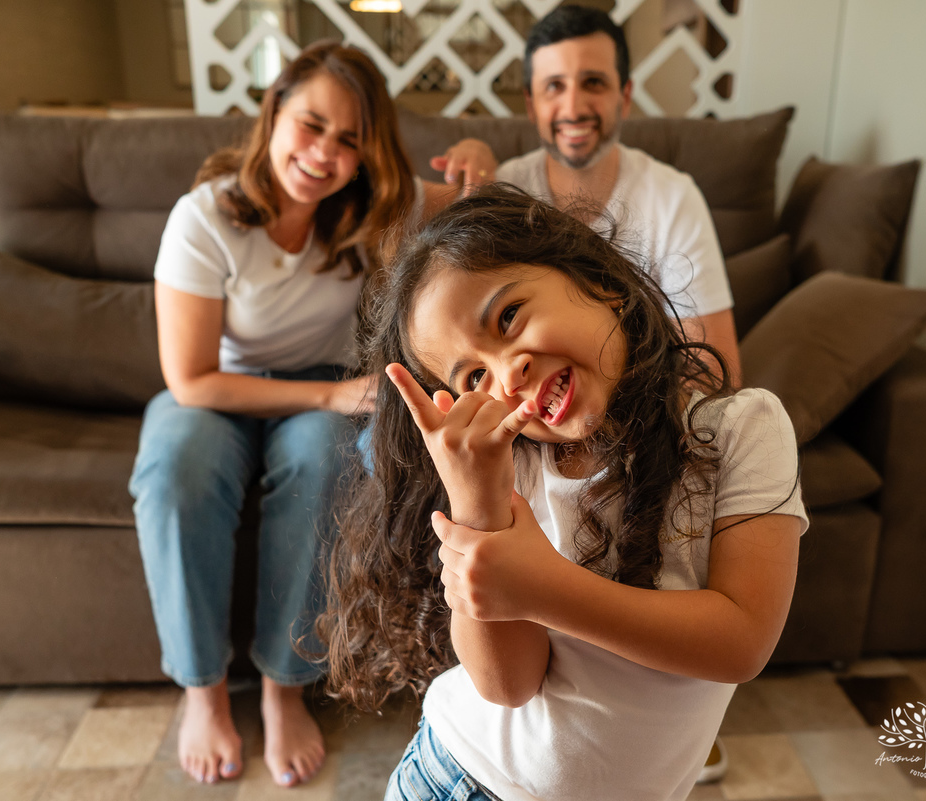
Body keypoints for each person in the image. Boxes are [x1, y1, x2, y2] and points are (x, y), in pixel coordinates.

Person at [319, 186, 806, 801]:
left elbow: (741, 642)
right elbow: (508, 685)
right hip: (457, 778)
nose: (507, 372)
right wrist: (476, 505)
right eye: (473, 377)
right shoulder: (515, 462)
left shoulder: (742, 429)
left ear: (596, 278)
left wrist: (543, 587)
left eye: (507, 318)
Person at [128, 41, 494, 789]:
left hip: (324, 391)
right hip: (218, 389)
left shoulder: (377, 209)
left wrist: (483, 154)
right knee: (175, 469)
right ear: (274, 115)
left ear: (367, 156)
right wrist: (330, 393)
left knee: (329, 460)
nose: (323, 152)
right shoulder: (204, 217)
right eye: (311, 124)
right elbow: (190, 376)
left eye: (348, 139)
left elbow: (478, 203)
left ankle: (282, 685)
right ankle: (201, 691)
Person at [497, 5, 741, 386]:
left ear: (624, 96)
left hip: (649, 419)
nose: (574, 107)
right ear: (531, 105)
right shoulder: (501, 194)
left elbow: (713, 373)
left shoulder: (674, 197)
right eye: (554, 86)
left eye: (593, 82)